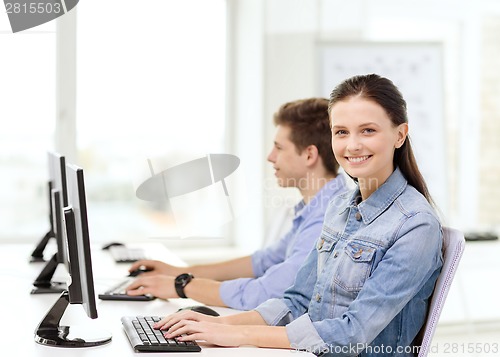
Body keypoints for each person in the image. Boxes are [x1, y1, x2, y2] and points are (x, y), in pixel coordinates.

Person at [152, 74, 444, 356]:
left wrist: (235, 334)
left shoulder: (415, 225)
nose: (352, 145)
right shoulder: (340, 206)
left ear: (399, 135)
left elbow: (351, 334)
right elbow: (297, 300)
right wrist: (217, 324)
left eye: (368, 130)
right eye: (341, 132)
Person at [126, 98, 347, 310]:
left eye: (279, 148)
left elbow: (267, 291)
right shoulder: (316, 208)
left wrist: (181, 285)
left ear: (309, 155)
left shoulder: (329, 217)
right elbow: (263, 261)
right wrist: (180, 271)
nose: (270, 157)